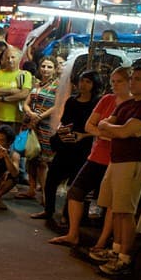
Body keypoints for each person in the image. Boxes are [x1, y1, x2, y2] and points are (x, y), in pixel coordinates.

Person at [47, 67, 131, 248]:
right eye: (113, 81)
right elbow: (91, 125)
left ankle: (102, 241)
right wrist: (107, 132)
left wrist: (105, 131)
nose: (115, 85)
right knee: (75, 191)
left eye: (120, 81)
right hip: (97, 154)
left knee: (110, 202)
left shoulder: (135, 105)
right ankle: (72, 233)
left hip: (117, 159)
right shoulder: (106, 100)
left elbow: (126, 133)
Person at [94, 66, 141, 275]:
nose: (132, 83)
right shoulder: (129, 105)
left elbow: (121, 131)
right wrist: (119, 130)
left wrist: (117, 130)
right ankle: (116, 249)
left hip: (133, 162)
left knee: (126, 211)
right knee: (115, 207)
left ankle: (124, 256)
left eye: (138, 79)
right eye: (131, 78)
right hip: (117, 160)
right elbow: (104, 124)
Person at [32, 70, 101, 222]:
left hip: (83, 147)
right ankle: (48, 210)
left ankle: (67, 216)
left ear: (94, 84)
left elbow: (99, 128)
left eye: (88, 82)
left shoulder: (96, 103)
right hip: (66, 144)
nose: (83, 84)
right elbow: (65, 121)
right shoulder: (71, 101)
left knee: (75, 184)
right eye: (82, 80)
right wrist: (62, 131)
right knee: (51, 179)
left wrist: (83, 135)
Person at [18, 57, 60, 200]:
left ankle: (45, 195)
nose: (45, 69)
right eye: (43, 66)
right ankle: (31, 189)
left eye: (49, 67)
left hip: (46, 126)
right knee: (31, 157)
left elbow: (57, 105)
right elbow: (26, 102)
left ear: (54, 69)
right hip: (31, 125)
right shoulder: (36, 84)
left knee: (43, 162)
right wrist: (30, 113)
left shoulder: (57, 85)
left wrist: (40, 116)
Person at [0, 46, 31, 142]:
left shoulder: (25, 75)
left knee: (11, 146)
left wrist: (3, 98)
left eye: (13, 57)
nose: (10, 60)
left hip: (14, 118)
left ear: (19, 58)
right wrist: (11, 90)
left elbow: (24, 94)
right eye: (7, 57)